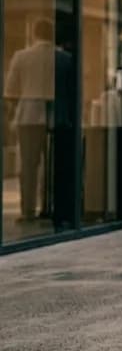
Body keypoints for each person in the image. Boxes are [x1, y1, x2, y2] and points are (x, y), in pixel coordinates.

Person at [3, 18, 74, 224]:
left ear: (34, 33)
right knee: (53, 165)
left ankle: (28, 211)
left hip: (28, 115)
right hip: (57, 116)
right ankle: (50, 206)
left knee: (28, 165)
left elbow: (11, 89)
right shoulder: (65, 59)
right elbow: (70, 92)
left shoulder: (21, 57)